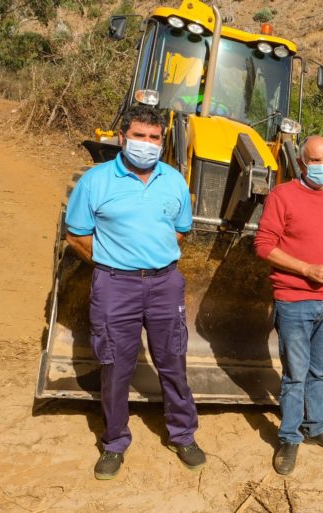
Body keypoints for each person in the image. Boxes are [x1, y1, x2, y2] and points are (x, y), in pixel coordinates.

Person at [65, 104, 205, 480]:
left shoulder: (175, 180)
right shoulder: (95, 181)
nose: (147, 143)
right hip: (115, 285)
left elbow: (180, 229)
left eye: (154, 138)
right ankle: (113, 442)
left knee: (173, 361)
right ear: (123, 137)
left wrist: (150, 261)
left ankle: (183, 434)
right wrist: (115, 261)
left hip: (164, 283)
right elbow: (76, 233)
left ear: (163, 141)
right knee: (115, 366)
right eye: (139, 136)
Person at [254, 135, 323, 475]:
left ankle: (316, 427)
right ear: (300, 163)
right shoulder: (282, 196)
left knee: (317, 371)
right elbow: (264, 245)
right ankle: (289, 437)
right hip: (293, 299)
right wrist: (306, 269)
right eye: (316, 161)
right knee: (295, 375)